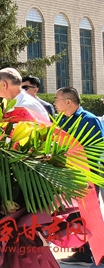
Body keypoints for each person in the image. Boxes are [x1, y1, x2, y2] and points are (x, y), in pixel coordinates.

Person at [55, 87, 104, 266]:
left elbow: (98, 147)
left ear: (68, 102)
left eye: (57, 99)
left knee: (89, 214)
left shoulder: (89, 120)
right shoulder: (61, 120)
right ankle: (82, 253)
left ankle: (98, 254)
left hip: (87, 175)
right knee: (74, 215)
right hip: (67, 175)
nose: (54, 103)